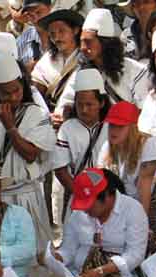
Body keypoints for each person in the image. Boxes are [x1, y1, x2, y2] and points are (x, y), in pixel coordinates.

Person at [0, 53, 57, 262]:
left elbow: (31, 154)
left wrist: (10, 126)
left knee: (30, 260)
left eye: (17, 90)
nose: (14, 97)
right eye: (7, 93)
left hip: (25, 196)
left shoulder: (36, 114)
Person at [54, 9, 151, 117]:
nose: (83, 48)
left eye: (88, 42)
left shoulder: (135, 71)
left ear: (105, 42)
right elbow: (66, 101)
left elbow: (144, 111)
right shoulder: (81, 72)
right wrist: (61, 114)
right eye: (82, 42)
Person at [97, 101, 156, 242]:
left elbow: (144, 189)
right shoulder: (106, 147)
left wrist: (141, 226)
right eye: (111, 125)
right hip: (116, 208)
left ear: (132, 128)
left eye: (120, 126)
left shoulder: (148, 145)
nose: (113, 130)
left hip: (145, 206)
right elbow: (100, 185)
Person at [52, 69, 111, 223]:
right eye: (80, 104)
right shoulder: (67, 128)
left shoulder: (111, 127)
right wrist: (81, 193)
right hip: (78, 197)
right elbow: (60, 169)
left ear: (102, 103)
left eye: (89, 104)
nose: (84, 109)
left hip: (109, 196)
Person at [33, 8, 84, 115]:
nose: (56, 37)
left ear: (75, 30)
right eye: (52, 33)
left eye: (61, 31)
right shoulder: (47, 60)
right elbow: (35, 94)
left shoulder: (85, 58)